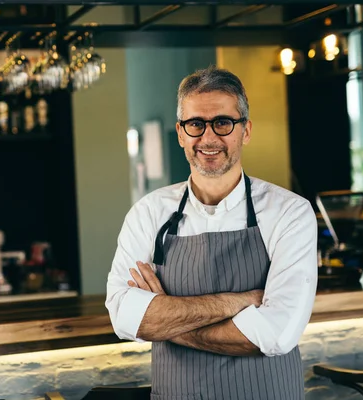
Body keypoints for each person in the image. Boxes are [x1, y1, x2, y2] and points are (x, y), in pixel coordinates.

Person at [105, 66, 318, 400]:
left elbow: (276, 333)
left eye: (223, 122)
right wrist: (240, 302)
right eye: (195, 124)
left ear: (245, 130)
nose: (208, 138)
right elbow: (124, 318)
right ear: (180, 133)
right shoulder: (149, 213)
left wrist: (166, 320)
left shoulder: (290, 212)